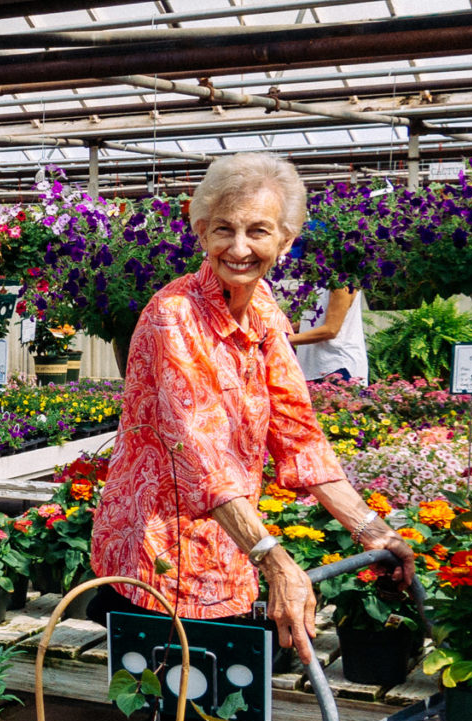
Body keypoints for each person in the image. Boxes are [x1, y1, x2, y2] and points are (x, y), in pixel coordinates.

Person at [90, 153, 416, 663]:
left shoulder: (263, 307)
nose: (239, 248)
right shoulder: (172, 316)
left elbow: (298, 433)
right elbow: (203, 461)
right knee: (174, 717)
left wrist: (370, 529)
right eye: (224, 229)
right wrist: (275, 561)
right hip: (159, 554)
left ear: (285, 241)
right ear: (200, 232)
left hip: (227, 548)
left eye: (259, 232)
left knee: (222, 709)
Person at [290, 284, 368, 382]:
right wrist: (285, 328)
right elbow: (317, 321)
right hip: (318, 368)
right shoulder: (323, 280)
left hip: (337, 367)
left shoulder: (341, 283)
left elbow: (331, 330)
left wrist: (282, 339)